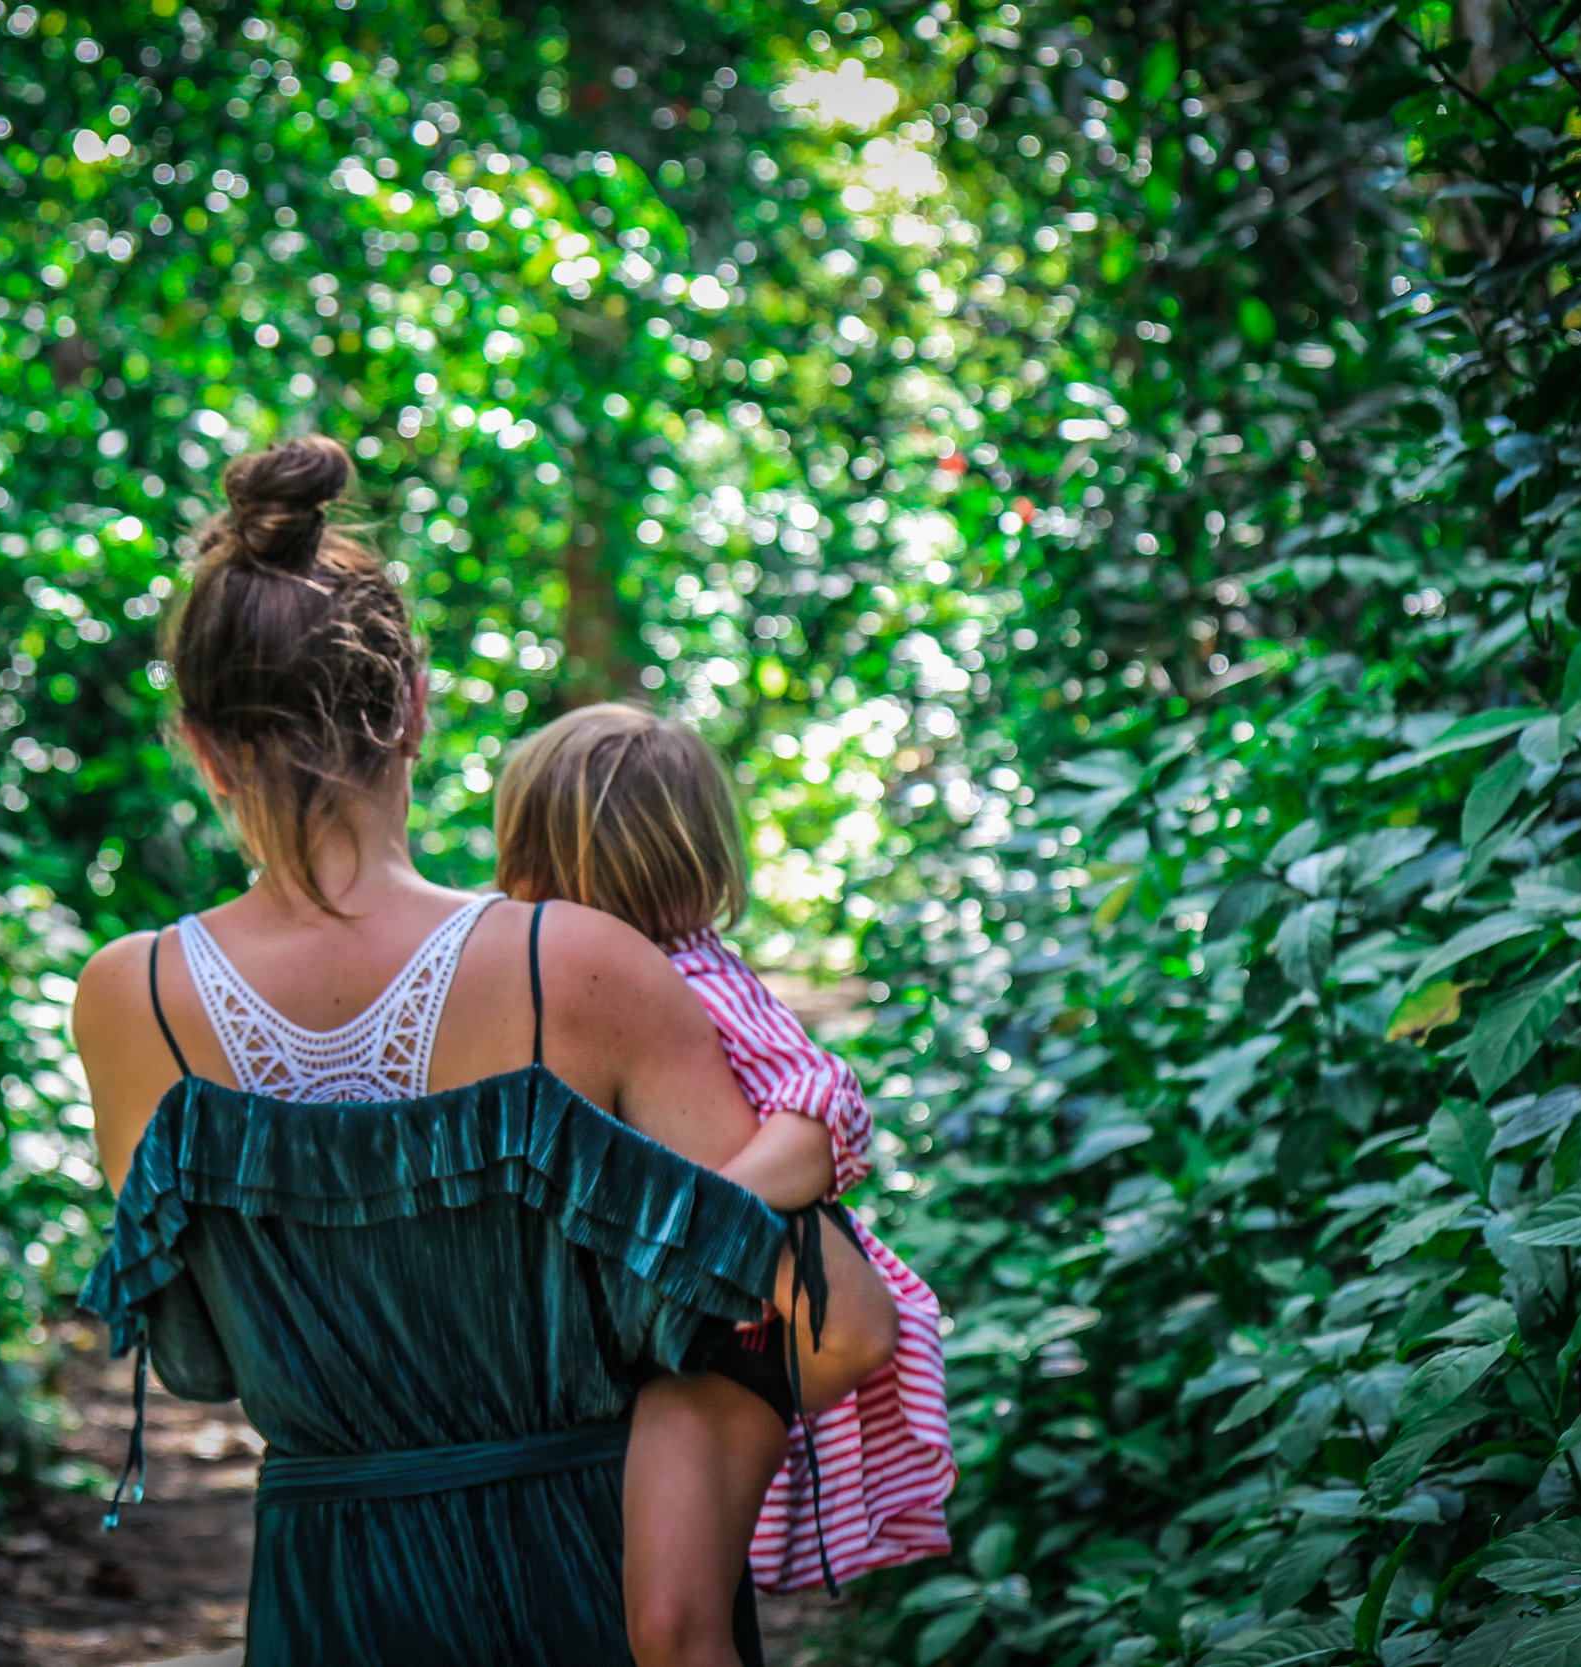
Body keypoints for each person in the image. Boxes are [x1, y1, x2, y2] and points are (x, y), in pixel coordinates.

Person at [70, 435, 895, 1667]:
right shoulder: (578, 964)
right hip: (587, 1576)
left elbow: (204, 1349)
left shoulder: (128, 998)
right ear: (413, 704)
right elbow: (842, 1319)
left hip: (330, 1591)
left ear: (197, 742)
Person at [493, 704, 954, 1661]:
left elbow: (825, 1115)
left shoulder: (695, 979)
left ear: (536, 864)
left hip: (738, 1338)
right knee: (657, 1619)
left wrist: (695, 1219)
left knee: (674, 1625)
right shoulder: (552, 987)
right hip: (680, 1333)